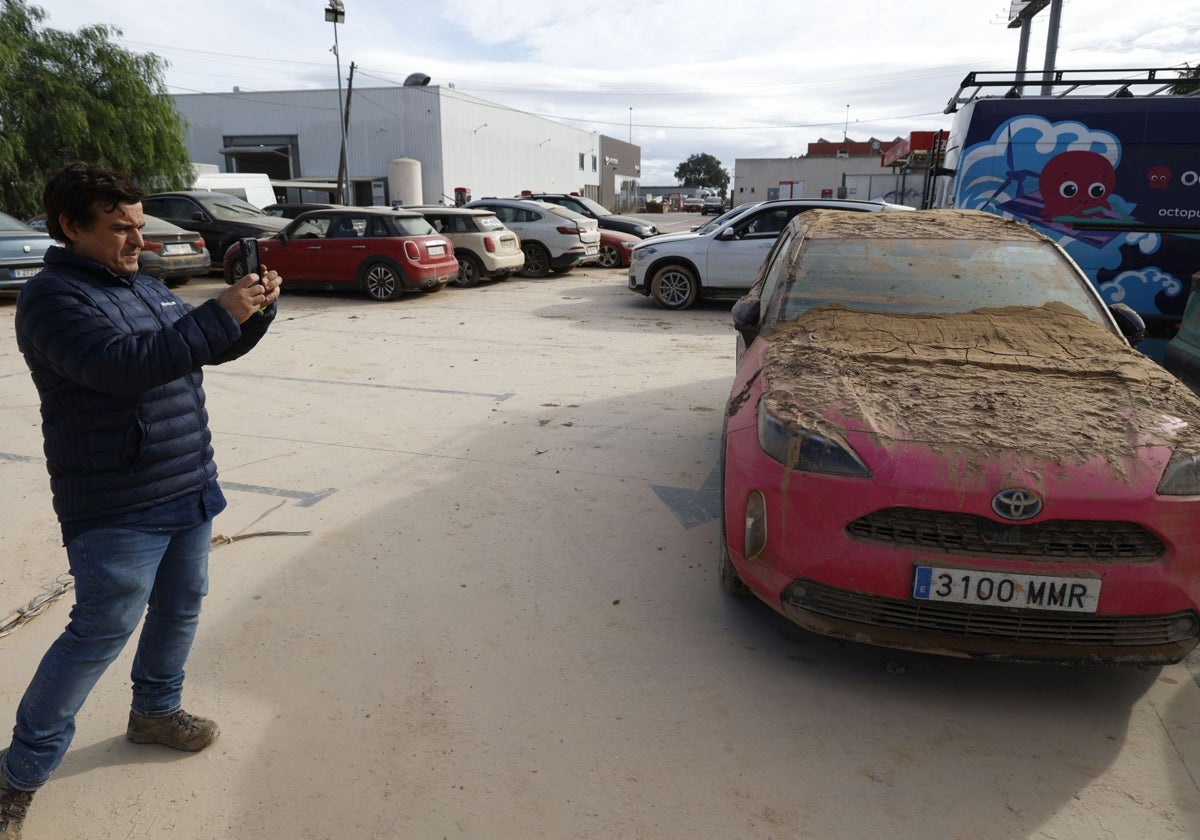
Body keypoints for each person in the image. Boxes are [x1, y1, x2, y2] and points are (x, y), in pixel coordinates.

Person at [0, 162, 282, 840]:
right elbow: (121, 369)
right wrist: (219, 312)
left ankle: (155, 711)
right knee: (98, 631)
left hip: (185, 480)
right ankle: (18, 775)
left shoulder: (142, 286)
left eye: (139, 225)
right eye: (119, 228)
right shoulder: (53, 299)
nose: (137, 240)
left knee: (182, 604)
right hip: (117, 500)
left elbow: (196, 350)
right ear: (71, 227)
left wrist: (251, 312)